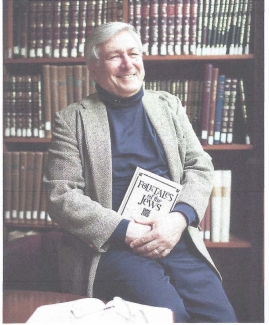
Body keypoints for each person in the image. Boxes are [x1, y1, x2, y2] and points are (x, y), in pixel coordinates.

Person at [44, 22, 237, 323]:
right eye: (114, 56)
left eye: (133, 53)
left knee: (222, 317)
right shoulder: (71, 120)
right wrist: (126, 231)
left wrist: (178, 219)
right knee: (170, 316)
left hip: (173, 235)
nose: (127, 64)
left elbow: (199, 166)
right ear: (94, 69)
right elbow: (61, 195)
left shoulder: (168, 105)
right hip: (116, 247)